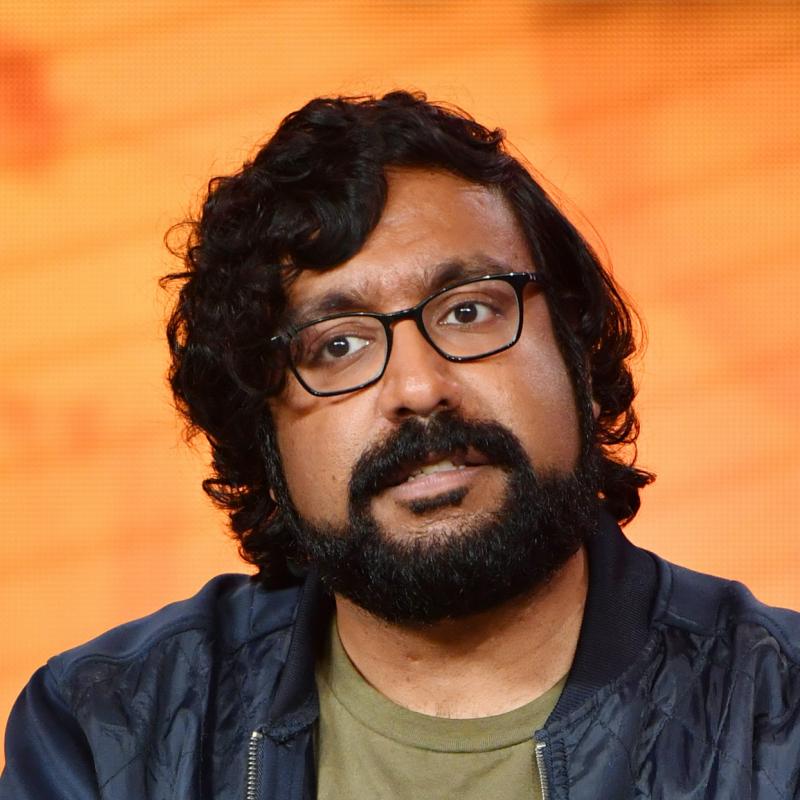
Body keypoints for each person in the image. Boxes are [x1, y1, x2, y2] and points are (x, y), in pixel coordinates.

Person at [2, 91, 798, 800]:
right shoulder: (102, 731)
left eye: (468, 312)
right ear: (262, 437)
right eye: (336, 347)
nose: (420, 387)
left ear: (579, 356)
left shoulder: (781, 712)